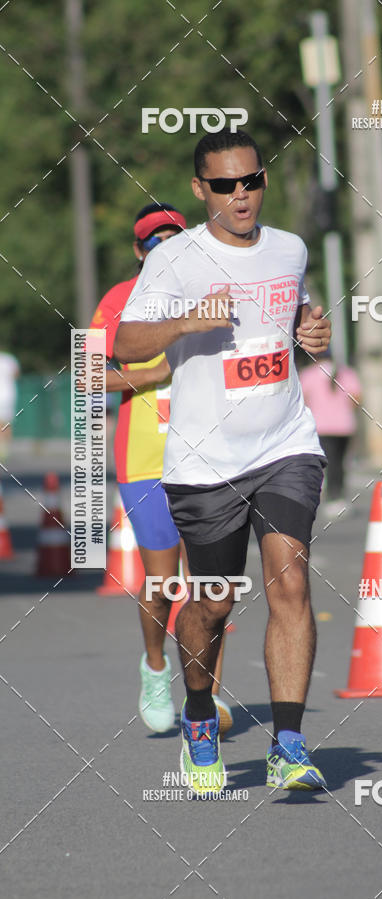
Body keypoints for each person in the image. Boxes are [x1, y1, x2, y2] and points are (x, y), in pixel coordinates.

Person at [114, 129, 332, 793]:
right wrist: (184, 323)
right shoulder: (175, 260)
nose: (242, 196)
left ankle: (289, 745)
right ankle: (200, 717)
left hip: (285, 443)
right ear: (199, 189)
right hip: (204, 461)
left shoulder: (290, 249)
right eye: (225, 186)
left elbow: (287, 322)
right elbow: (124, 343)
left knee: (289, 584)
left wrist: (310, 333)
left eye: (252, 181)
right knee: (212, 601)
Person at [89, 203, 233, 736]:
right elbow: (88, 378)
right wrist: (153, 370)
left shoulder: (214, 291)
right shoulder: (116, 301)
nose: (165, 249)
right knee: (162, 581)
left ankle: (209, 698)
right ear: (138, 251)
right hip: (145, 455)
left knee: (212, 585)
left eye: (176, 239)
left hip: (211, 454)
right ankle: (154, 668)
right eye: (154, 242)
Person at [300, 352, 361, 518]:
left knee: (325, 463)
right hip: (344, 426)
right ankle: (337, 497)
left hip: (321, 427)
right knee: (339, 463)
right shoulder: (347, 373)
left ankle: (326, 496)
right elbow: (356, 398)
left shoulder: (309, 374)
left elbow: (303, 400)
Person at [0, 350, 20, 461]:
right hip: (8, 396)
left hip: (6, 395)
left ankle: (3, 449)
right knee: (6, 423)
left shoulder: (9, 359)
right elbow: (16, 375)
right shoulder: (9, 359)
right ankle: (4, 449)